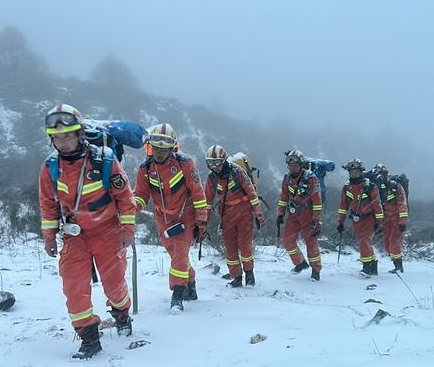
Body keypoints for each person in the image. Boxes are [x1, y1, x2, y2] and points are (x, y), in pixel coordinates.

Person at [38, 104, 136, 360]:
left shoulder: (103, 159)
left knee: (114, 286)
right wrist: (49, 235)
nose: (63, 142)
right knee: (74, 288)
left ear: (80, 133)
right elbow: (48, 204)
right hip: (75, 235)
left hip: (108, 232)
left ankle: (122, 315)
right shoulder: (50, 167)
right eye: (57, 137)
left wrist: (128, 230)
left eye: (68, 135)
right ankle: (89, 338)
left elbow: (125, 198)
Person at [133, 123, 208, 313]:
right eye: (156, 146)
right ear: (151, 146)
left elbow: (198, 193)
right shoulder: (145, 168)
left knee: (180, 255)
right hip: (163, 219)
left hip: (186, 216)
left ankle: (177, 296)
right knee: (176, 256)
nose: (160, 151)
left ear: (172, 146)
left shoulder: (184, 163)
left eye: (164, 147)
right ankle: (190, 284)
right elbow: (141, 195)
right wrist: (131, 208)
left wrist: (202, 221)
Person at [204, 144, 265, 287]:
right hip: (226, 217)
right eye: (210, 163)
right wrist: (202, 222)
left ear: (223, 160)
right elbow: (207, 201)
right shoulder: (212, 178)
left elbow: (252, 194)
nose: (214, 166)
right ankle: (237, 277)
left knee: (245, 247)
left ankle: (249, 275)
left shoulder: (238, 172)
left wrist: (259, 215)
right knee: (230, 250)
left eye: (217, 162)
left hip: (244, 215)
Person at [276, 150, 323, 281]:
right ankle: (300, 263)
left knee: (311, 243)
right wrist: (280, 213)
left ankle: (316, 270)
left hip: (308, 215)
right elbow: (284, 197)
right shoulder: (287, 179)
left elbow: (317, 201)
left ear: (301, 164)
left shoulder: (311, 178)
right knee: (287, 241)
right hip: (293, 215)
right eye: (290, 165)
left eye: (296, 165)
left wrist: (316, 220)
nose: (292, 167)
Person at [336, 158, 384, 276]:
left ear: (361, 171)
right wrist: (340, 222)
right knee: (365, 242)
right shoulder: (347, 188)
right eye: (352, 171)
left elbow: (377, 205)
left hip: (369, 219)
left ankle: (366, 268)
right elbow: (343, 206)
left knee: (364, 242)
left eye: (357, 171)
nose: (354, 173)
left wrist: (379, 221)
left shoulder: (370, 187)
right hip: (356, 220)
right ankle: (373, 267)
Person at [372, 164, 409, 273]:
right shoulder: (375, 188)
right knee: (387, 245)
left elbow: (402, 204)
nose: (379, 177)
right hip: (385, 222)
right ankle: (396, 264)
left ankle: (399, 267)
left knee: (394, 243)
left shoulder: (395, 187)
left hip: (397, 220)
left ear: (385, 174)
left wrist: (403, 221)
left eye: (381, 174)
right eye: (377, 174)